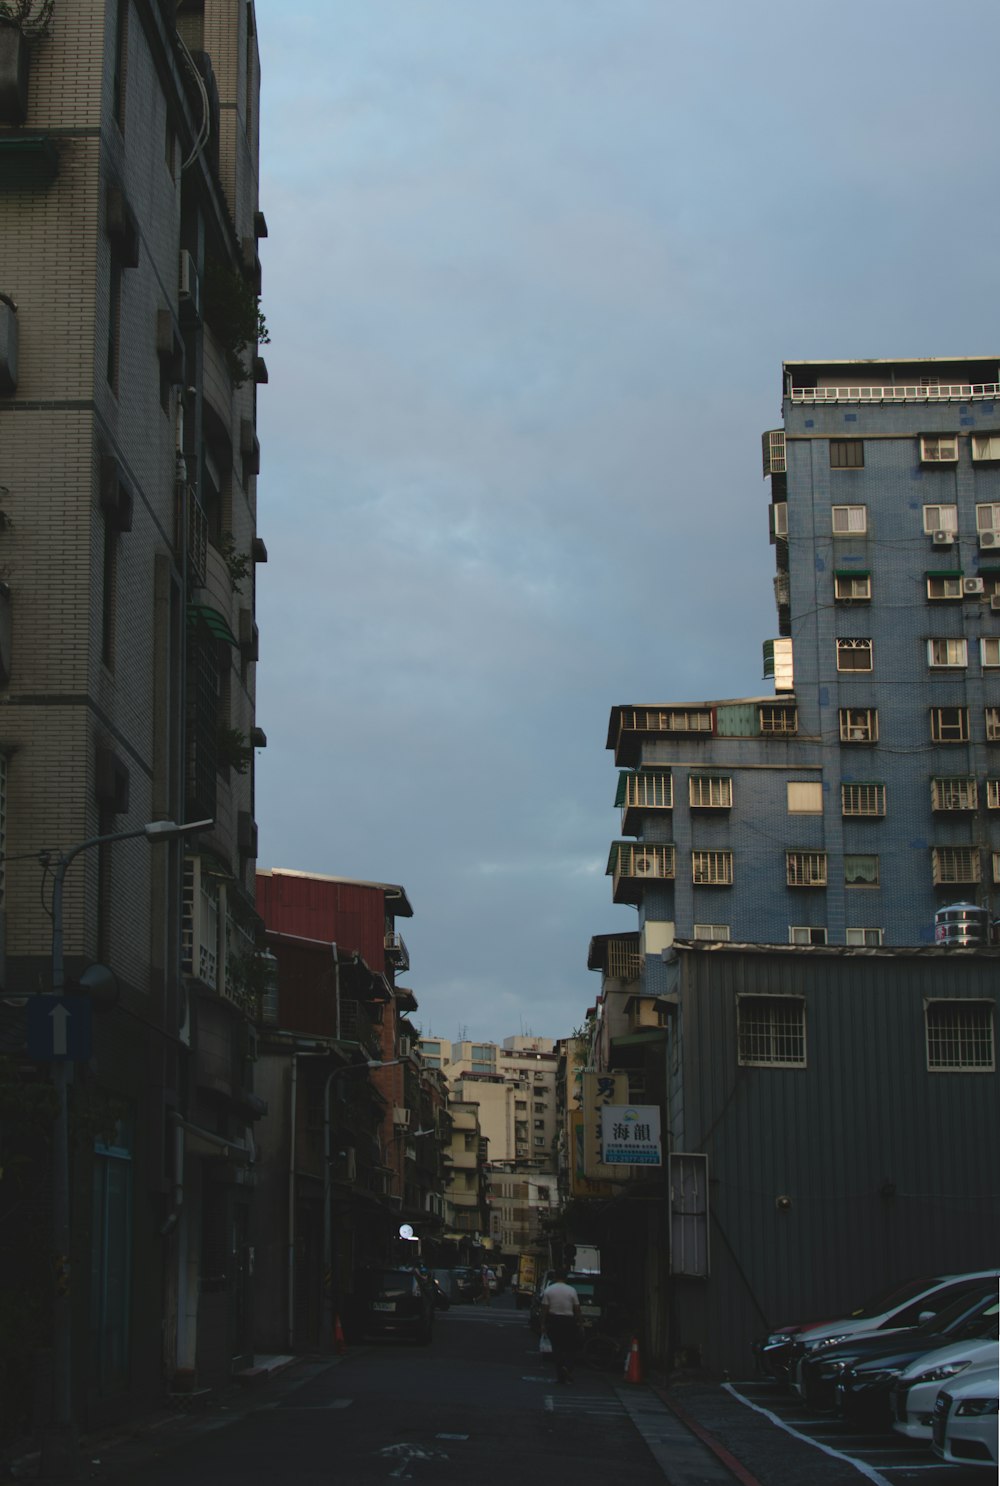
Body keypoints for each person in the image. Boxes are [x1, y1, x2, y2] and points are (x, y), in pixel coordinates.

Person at [540, 1269, 581, 1383]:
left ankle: (561, 1373)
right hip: (569, 1320)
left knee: (557, 1348)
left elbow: (544, 1309)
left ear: (554, 1277)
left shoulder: (549, 1290)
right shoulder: (572, 1290)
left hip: (554, 1320)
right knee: (570, 1347)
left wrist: (543, 1324)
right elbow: (577, 1308)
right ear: (566, 1277)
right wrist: (580, 1322)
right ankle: (567, 1367)